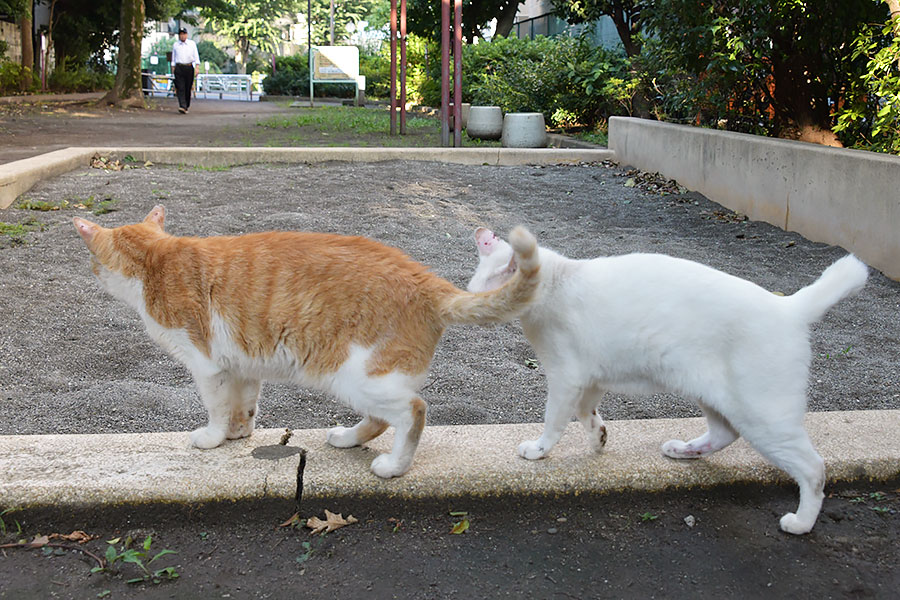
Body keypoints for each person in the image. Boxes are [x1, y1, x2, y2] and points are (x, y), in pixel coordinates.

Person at [172, 27, 200, 114]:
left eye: (184, 34)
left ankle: (186, 105)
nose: (182, 36)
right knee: (180, 87)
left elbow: (196, 56)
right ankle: (182, 105)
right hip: (179, 67)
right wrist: (173, 68)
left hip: (189, 67)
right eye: (181, 34)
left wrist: (197, 67)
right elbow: (174, 57)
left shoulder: (192, 44)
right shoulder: (176, 45)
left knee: (187, 87)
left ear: (186, 35)